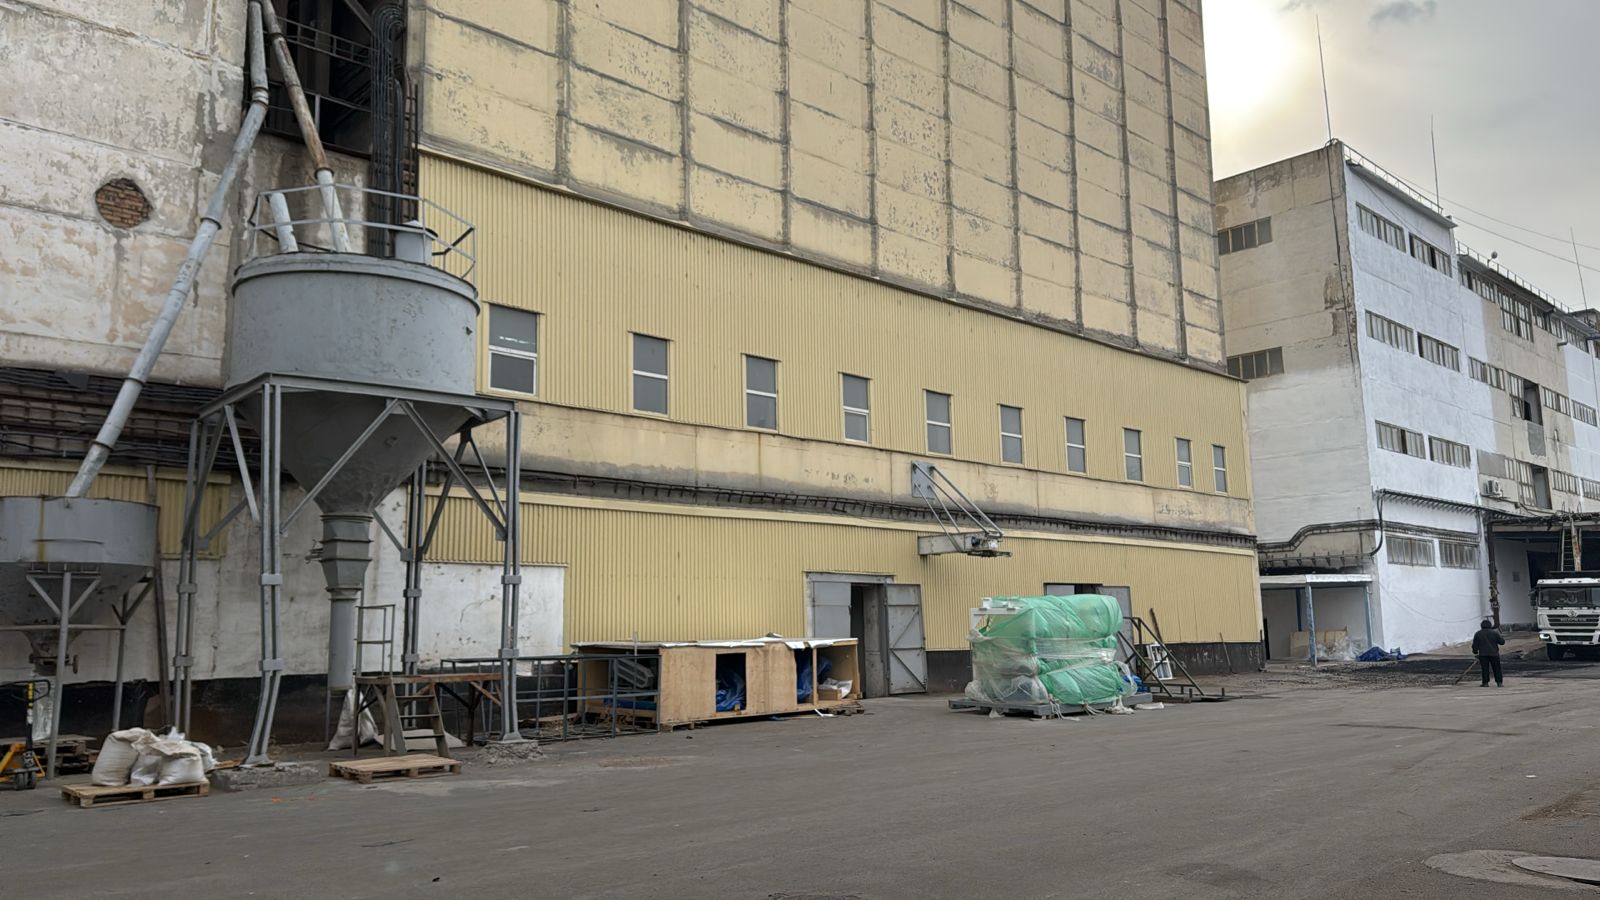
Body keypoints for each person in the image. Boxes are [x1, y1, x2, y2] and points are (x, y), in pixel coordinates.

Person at [1472, 618, 1505, 687]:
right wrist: (1500, 637)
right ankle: (1499, 682)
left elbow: (1475, 645)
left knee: (1485, 669)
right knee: (1497, 668)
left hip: (1483, 654)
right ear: (1490, 625)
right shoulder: (1494, 633)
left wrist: (1475, 652)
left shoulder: (1478, 634)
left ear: (1481, 626)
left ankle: (1485, 683)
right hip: (1494, 654)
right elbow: (1502, 642)